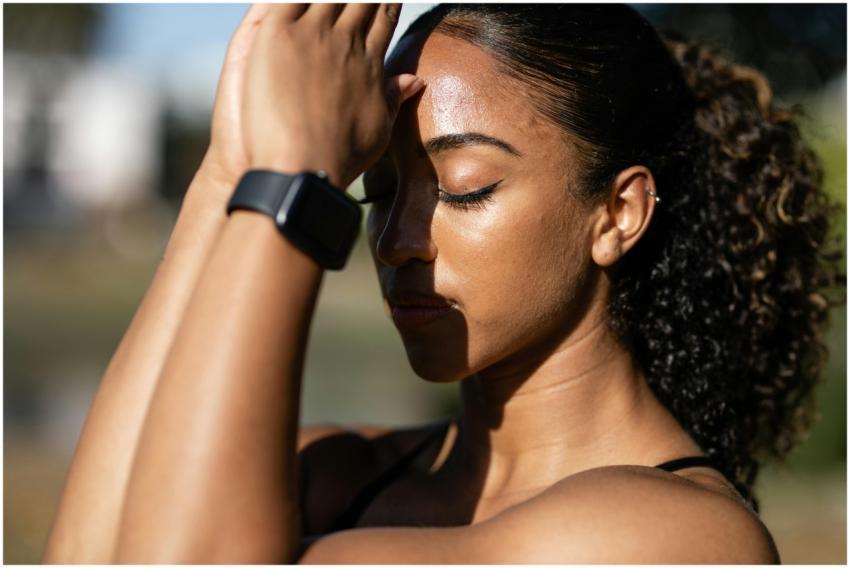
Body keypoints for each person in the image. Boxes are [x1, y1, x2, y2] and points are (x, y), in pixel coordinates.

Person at [42, 3, 841, 564]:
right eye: (376, 193)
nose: (394, 243)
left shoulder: (679, 542)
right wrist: (232, 165)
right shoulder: (332, 469)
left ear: (618, 213)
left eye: (463, 187)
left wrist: (293, 183)